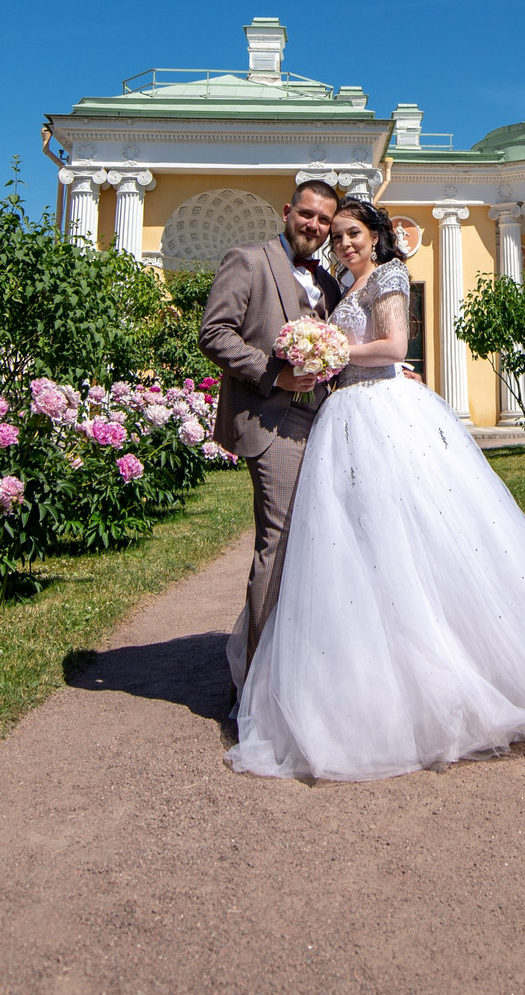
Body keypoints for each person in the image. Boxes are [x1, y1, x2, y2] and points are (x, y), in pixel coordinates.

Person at [228, 195, 525, 781]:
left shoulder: (389, 274)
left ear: (376, 234)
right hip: (343, 415)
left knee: (404, 532)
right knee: (356, 543)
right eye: (336, 235)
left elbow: (392, 347)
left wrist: (334, 353)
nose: (342, 242)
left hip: (378, 414)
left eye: (352, 233)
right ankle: (359, 668)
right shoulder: (343, 284)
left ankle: (439, 668)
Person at [198, 179, 347, 693]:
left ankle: (304, 668)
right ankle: (260, 689)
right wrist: (273, 374)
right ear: (288, 211)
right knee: (279, 542)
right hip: (270, 419)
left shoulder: (327, 282)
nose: (314, 226)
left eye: (324, 220)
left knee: (318, 542)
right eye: (307, 215)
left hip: (321, 423)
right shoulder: (248, 259)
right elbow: (215, 334)